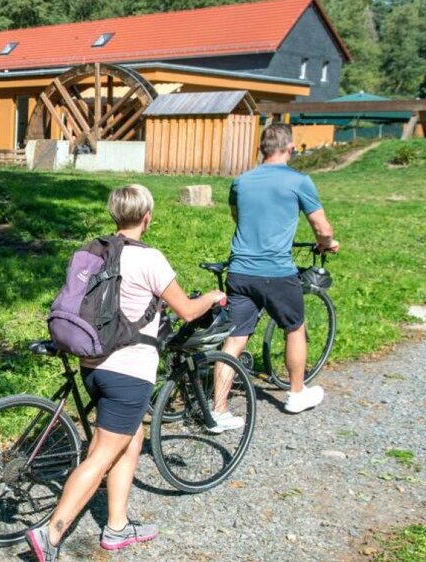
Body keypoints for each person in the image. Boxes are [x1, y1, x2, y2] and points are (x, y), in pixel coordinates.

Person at [26, 184, 226, 561]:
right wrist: (212, 298)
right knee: (102, 454)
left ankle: (116, 528)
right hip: (128, 373)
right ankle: (50, 533)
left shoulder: (94, 250)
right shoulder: (150, 260)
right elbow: (186, 310)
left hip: (93, 366)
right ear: (147, 217)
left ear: (114, 214)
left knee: (130, 439)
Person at [210, 123, 339, 427]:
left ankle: (218, 410)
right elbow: (322, 228)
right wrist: (326, 244)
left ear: (261, 149)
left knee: (235, 339)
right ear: (290, 148)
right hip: (277, 272)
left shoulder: (240, 182)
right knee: (294, 327)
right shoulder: (300, 181)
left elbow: (237, 216)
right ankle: (296, 393)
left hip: (240, 270)